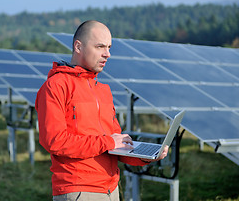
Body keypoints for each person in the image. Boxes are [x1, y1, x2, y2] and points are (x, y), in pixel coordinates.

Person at [35, 20, 168, 201]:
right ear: (78, 46)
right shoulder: (56, 86)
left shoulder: (103, 90)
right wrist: (108, 142)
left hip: (111, 190)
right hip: (79, 190)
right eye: (100, 47)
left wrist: (146, 156)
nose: (107, 54)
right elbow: (54, 141)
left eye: (109, 47)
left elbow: (115, 146)